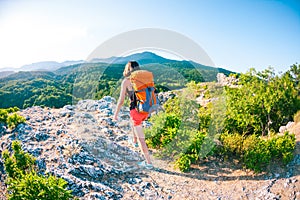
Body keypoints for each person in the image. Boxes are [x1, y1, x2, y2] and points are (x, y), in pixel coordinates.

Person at [113, 61, 153, 168]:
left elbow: (121, 100)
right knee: (134, 123)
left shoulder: (126, 82)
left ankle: (148, 163)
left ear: (127, 70)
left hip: (136, 111)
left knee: (142, 139)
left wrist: (115, 115)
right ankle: (134, 141)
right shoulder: (144, 79)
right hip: (146, 109)